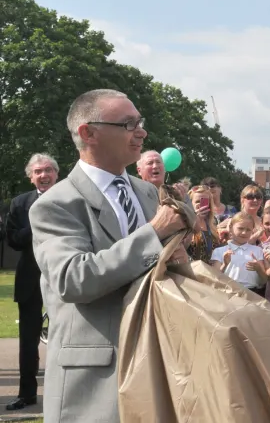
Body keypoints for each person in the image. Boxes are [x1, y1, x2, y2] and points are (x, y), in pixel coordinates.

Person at [30, 89, 190, 423]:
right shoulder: (56, 204)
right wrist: (154, 233)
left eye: (140, 123)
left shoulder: (148, 192)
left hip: (160, 367)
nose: (142, 132)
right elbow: (74, 279)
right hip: (94, 385)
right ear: (89, 133)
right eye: (129, 124)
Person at [4, 154, 58, 412]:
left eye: (48, 170)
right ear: (31, 176)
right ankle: (27, 395)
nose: (44, 175)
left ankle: (64, 393)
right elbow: (13, 240)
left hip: (64, 277)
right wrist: (36, 226)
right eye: (38, 171)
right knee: (28, 341)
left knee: (67, 338)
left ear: (56, 174)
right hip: (30, 280)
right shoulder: (19, 203)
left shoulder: (71, 198)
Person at [211, 213, 269, 297]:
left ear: (253, 230)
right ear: (231, 228)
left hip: (253, 294)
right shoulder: (219, 251)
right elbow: (214, 278)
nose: (244, 232)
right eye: (240, 228)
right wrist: (225, 264)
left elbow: (264, 280)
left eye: (248, 229)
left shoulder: (257, 250)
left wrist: (259, 269)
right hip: (228, 293)